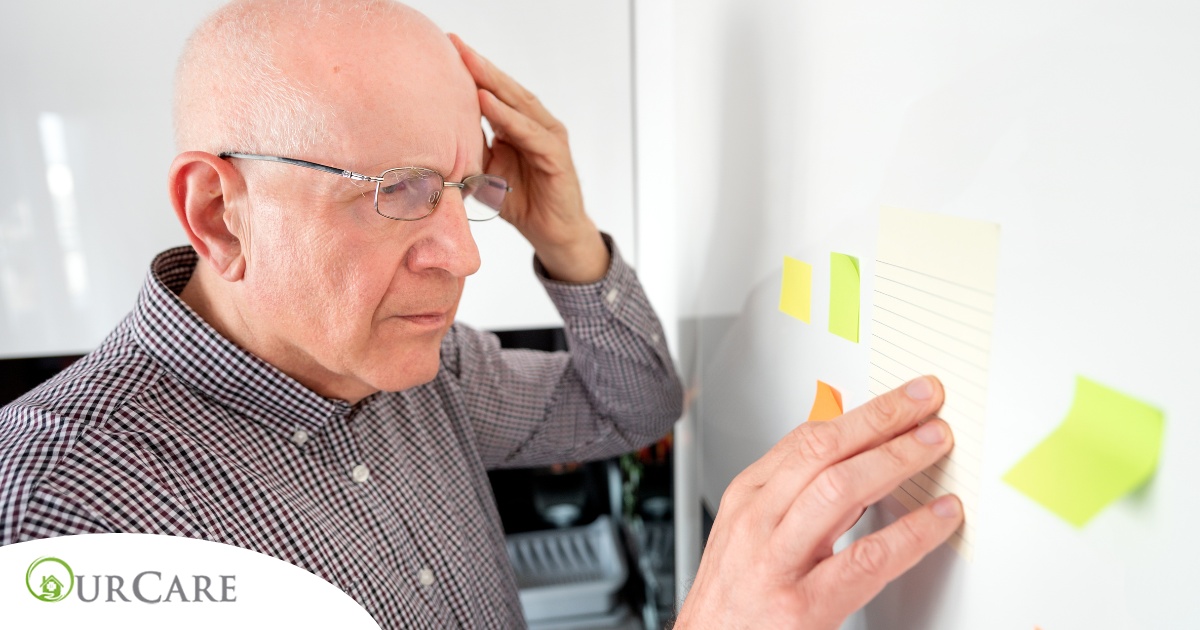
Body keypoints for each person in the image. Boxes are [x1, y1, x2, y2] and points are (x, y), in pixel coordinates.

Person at [0, 1, 962, 628]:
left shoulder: (422, 371)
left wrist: (568, 236)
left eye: (465, 189)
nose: (462, 253)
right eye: (402, 190)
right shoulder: (59, 514)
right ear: (220, 213)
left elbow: (632, 406)